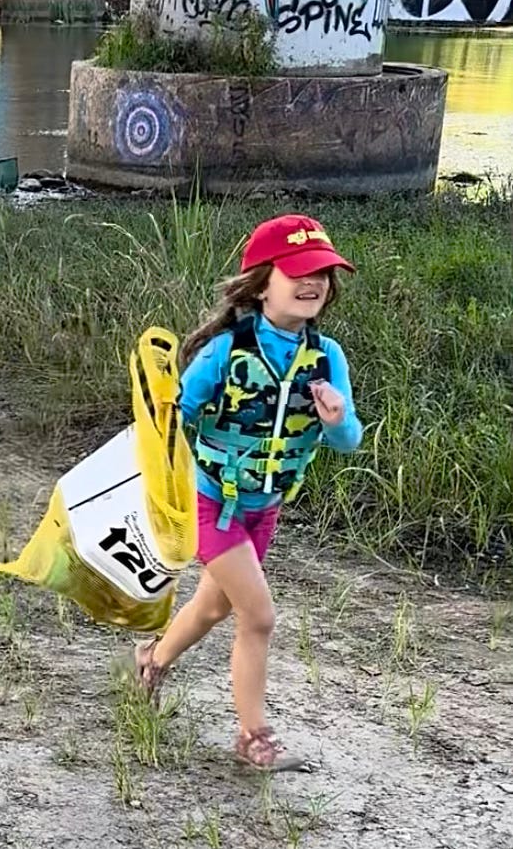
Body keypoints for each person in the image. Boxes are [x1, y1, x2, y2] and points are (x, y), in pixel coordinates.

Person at [134, 214, 363, 772]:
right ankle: (253, 737)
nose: (315, 283)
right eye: (300, 271)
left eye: (324, 274)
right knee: (258, 616)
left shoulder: (327, 356)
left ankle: (152, 660)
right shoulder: (225, 353)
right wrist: (159, 490)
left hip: (265, 508)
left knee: (212, 605)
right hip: (211, 501)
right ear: (263, 283)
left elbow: (349, 439)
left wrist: (334, 420)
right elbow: (172, 422)